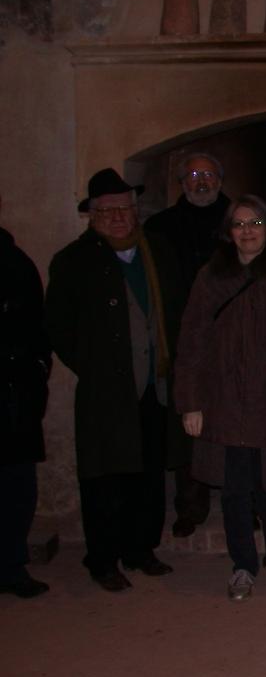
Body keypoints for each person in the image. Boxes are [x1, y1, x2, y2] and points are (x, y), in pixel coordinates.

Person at [174, 194, 266, 602]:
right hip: (224, 404)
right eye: (239, 224)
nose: (247, 231)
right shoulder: (210, 277)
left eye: (255, 223)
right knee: (235, 492)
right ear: (228, 233)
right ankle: (243, 565)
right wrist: (190, 402)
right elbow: (190, 343)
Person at [46, 168, 185, 592]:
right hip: (107, 391)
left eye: (125, 208)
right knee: (105, 477)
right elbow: (59, 328)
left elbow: (176, 308)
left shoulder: (157, 250)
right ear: (92, 215)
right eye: (108, 210)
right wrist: (95, 366)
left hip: (153, 386)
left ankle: (141, 549)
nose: (119, 216)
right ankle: (103, 558)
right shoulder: (73, 261)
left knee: (147, 473)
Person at [145, 152, 231, 538]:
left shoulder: (239, 220)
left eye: (209, 175)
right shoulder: (161, 227)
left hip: (231, 340)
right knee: (186, 427)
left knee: (235, 422)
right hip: (184, 339)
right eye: (194, 175)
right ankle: (190, 505)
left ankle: (240, 500)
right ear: (182, 183)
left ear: (220, 180)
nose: (201, 181)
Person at [0, 194, 51, 598]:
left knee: (17, 483)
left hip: (14, 390)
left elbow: (37, 327)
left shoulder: (15, 263)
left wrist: (35, 373)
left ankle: (13, 564)